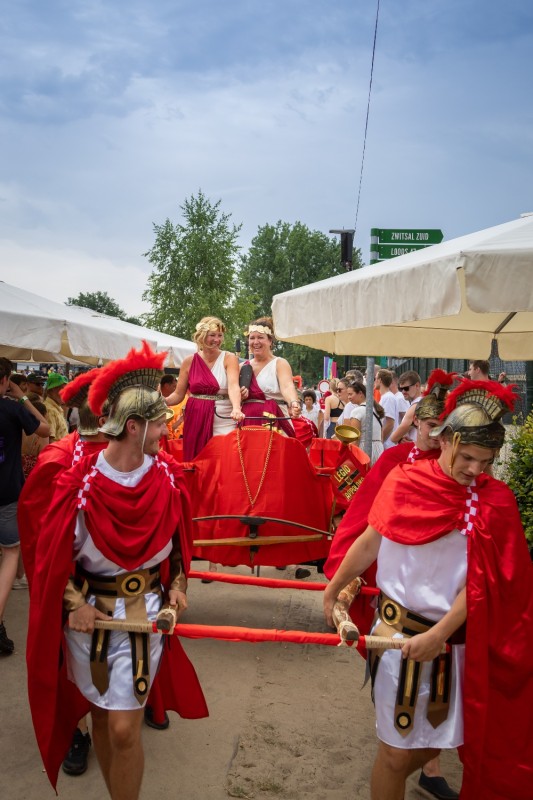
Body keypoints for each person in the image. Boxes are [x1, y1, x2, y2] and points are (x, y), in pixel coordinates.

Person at [324, 377, 533, 800]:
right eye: (469, 457)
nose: (476, 470)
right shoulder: (403, 480)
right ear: (447, 440)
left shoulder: (495, 502)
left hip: (458, 648)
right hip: (399, 642)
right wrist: (334, 588)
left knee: (448, 741)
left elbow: (483, 586)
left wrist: (440, 635)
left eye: (487, 461)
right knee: (395, 756)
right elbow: (369, 541)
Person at [26, 342, 208, 797]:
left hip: (144, 615)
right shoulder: (79, 484)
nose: (166, 430)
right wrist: (72, 604)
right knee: (105, 720)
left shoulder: (167, 478)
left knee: (125, 728)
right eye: (160, 423)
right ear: (134, 426)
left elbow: (178, 550)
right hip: (91, 619)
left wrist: (179, 588)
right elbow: (52, 562)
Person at [324, 369, 457, 799]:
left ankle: (427, 767)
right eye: (427, 425)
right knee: (402, 718)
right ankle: (415, 767)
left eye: (441, 430)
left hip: (445, 609)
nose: (433, 436)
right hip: (398, 596)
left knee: (437, 715)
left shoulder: (462, 478)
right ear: (417, 421)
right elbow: (365, 525)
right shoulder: (395, 464)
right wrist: (342, 579)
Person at [0, 358, 49, 655]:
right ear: (6, 380)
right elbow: (43, 429)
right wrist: (23, 399)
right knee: (9, 555)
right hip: (7, 492)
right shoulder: (13, 408)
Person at [164, 316, 243, 461]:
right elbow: (178, 394)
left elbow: (233, 386)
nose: (217, 340)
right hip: (195, 417)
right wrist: (163, 401)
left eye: (220, 335)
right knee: (198, 460)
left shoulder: (229, 358)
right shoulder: (189, 361)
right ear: (202, 336)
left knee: (225, 458)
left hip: (224, 418)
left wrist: (236, 408)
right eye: (212, 335)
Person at [240, 316, 300, 436]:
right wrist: (239, 396)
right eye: (252, 338)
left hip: (274, 418)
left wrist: (293, 402)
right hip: (248, 420)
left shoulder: (279, 363)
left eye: (260, 337)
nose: (256, 342)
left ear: (270, 341)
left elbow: (287, 386)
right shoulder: (242, 366)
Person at [343, 381, 385, 465]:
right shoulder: (376, 409)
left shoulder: (357, 411)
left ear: (360, 393)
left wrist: (351, 457)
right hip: (379, 449)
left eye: (351, 394)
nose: (349, 397)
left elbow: (355, 440)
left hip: (364, 450)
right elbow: (381, 435)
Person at [389, 370, 423, 445]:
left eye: (406, 388)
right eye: (401, 389)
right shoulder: (422, 402)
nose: (403, 392)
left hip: (416, 450)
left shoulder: (416, 406)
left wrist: (400, 438)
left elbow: (394, 437)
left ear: (417, 386)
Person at [374, 369, 398, 448]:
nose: (374, 381)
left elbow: (390, 422)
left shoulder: (388, 398)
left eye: (375, 378)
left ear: (380, 380)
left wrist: (381, 441)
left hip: (388, 445)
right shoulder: (386, 397)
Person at [44, 371, 69, 442]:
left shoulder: (57, 407)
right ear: (51, 390)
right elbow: (50, 440)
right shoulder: (49, 410)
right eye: (62, 389)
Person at [160, 373, 187, 439]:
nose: (175, 390)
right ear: (166, 386)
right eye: (174, 387)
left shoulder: (185, 398)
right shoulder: (158, 400)